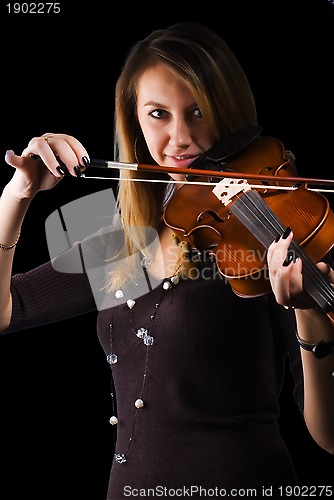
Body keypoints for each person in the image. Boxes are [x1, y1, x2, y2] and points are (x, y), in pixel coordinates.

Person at [1, 21, 334, 499]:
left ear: (228, 111)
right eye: (158, 114)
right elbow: (6, 309)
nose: (180, 137)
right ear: (134, 122)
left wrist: (307, 309)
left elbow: (328, 436)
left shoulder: (265, 233)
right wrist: (18, 196)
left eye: (198, 112)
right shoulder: (123, 238)